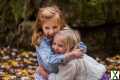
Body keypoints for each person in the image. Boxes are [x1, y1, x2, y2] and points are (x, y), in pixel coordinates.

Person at [32, 5, 86, 80]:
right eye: (47, 28)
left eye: (55, 27)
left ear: (60, 24)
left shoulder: (64, 33)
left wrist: (78, 50)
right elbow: (49, 61)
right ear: (41, 26)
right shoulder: (41, 41)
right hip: (46, 75)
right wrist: (70, 54)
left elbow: (80, 46)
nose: (51, 32)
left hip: (64, 73)